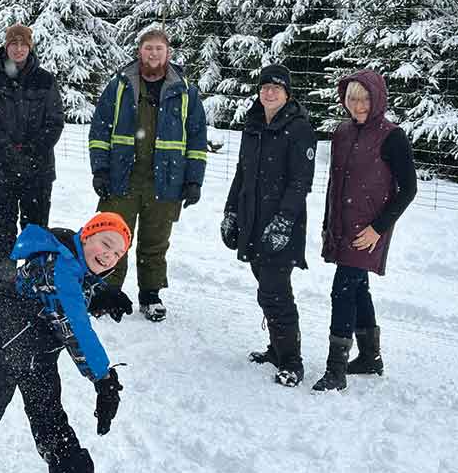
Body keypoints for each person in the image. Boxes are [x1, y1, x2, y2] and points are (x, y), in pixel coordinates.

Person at [0, 212, 134, 473]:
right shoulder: (58, 267)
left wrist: (102, 292)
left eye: (118, 253)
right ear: (87, 235)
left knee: (52, 426)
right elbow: (76, 328)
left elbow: (77, 284)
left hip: (39, 354)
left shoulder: (73, 258)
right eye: (106, 243)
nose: (109, 255)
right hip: (0, 349)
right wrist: (103, 379)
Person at [88, 25, 207, 322]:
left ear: (168, 53)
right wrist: (100, 170)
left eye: (159, 48)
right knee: (112, 237)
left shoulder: (185, 91)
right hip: (121, 177)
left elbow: (196, 138)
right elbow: (100, 131)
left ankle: (150, 295)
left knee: (155, 241)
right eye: (148, 48)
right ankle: (106, 291)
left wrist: (193, 180)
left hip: (166, 181)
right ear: (139, 51)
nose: (153, 53)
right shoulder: (120, 86)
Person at [312, 70, 417, 392]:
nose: (358, 105)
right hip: (342, 225)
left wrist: (378, 229)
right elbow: (335, 185)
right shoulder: (342, 133)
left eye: (364, 98)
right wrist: (328, 224)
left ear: (377, 99)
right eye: (352, 98)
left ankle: (336, 370)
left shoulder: (391, 136)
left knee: (342, 289)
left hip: (368, 230)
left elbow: (408, 188)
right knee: (358, 288)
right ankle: (370, 356)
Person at [221, 64, 316, 387]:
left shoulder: (299, 128)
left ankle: (292, 360)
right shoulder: (254, 124)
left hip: (281, 224)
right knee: (265, 287)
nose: (270, 92)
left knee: (276, 292)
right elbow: (241, 173)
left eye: (276, 87)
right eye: (265, 87)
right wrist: (231, 212)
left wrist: (284, 221)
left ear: (287, 93)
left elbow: (301, 182)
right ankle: (277, 349)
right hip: (252, 219)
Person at [0, 23, 64, 298]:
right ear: (6, 46)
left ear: (30, 47)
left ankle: (34, 285)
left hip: (37, 172)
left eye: (23, 44)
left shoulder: (46, 81)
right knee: (2, 232)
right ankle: (1, 288)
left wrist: (30, 152)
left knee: (35, 232)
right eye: (13, 44)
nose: (17, 49)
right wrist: (9, 152)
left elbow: (54, 123)